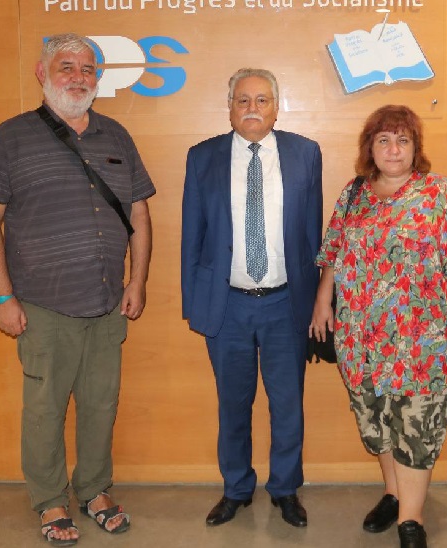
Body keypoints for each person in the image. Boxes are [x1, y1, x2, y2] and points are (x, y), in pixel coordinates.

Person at [0, 33, 155, 546]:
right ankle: (50, 500)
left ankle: (94, 490)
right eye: (66, 66)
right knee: (45, 409)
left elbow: (139, 214)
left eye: (87, 68)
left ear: (99, 78)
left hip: (107, 302)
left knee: (101, 405)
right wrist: (3, 297)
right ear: (42, 73)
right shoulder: (11, 137)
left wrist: (137, 281)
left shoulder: (117, 136)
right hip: (42, 305)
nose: (78, 76)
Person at [310, 105, 447, 548]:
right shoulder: (354, 194)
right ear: (370, 148)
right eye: (384, 140)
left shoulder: (439, 194)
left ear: (415, 148)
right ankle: (393, 494)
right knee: (377, 419)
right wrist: (321, 301)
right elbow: (333, 251)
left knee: (418, 424)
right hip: (361, 337)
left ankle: (411, 519)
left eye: (403, 141)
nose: (393, 150)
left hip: (423, 338)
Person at [181, 68, 323, 528]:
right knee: (233, 403)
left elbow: (313, 235)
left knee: (288, 403)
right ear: (230, 107)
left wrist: (317, 302)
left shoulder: (305, 153)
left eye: (262, 100)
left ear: (276, 107)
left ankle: (285, 489)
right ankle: (236, 488)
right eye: (242, 100)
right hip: (228, 304)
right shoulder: (202, 157)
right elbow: (192, 235)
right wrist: (195, 302)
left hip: (286, 302)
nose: (252, 109)